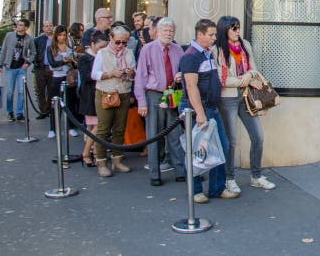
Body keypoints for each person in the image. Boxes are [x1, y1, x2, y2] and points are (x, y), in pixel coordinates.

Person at [215, 16, 277, 193]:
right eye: (233, 29)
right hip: (227, 98)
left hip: (246, 98)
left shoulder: (245, 45)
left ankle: (256, 176)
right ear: (224, 30)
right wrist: (245, 80)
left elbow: (254, 69)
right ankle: (229, 178)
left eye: (238, 28)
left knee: (258, 136)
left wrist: (249, 77)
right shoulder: (217, 50)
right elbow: (221, 78)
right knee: (231, 141)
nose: (237, 32)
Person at [179, 19, 237, 202]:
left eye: (214, 34)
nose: (214, 38)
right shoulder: (191, 56)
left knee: (221, 146)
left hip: (211, 107)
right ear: (200, 34)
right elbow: (191, 87)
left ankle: (217, 188)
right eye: (211, 34)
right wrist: (200, 113)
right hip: (198, 109)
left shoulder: (208, 54)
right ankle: (196, 190)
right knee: (197, 149)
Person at [134, 17, 186, 186]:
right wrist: (141, 102)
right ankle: (155, 174)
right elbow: (140, 76)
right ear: (157, 32)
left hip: (173, 94)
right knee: (154, 135)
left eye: (171, 31)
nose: (168, 33)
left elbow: (184, 70)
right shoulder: (147, 49)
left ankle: (180, 170)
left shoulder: (178, 50)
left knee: (175, 134)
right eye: (165, 30)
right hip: (154, 95)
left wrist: (181, 76)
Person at [90, 24, 136, 177]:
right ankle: (101, 162)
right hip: (106, 92)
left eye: (124, 42)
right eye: (118, 42)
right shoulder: (102, 53)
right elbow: (94, 74)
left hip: (123, 92)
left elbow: (134, 73)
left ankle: (117, 160)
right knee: (103, 129)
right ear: (111, 38)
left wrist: (130, 73)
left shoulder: (129, 53)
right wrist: (110, 74)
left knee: (119, 128)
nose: (121, 45)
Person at [78, 30, 108, 167]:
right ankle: (86, 153)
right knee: (97, 126)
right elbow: (86, 76)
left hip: (101, 93)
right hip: (90, 95)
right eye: (100, 47)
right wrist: (102, 75)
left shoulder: (103, 56)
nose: (102, 50)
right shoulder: (84, 58)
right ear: (92, 44)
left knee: (98, 126)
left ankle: (95, 152)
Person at [0, 20, 36, 121]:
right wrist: (0, 65)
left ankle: (19, 113)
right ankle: (10, 112)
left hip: (21, 69)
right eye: (18, 24)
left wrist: (27, 63)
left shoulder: (29, 38)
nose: (18, 26)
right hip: (10, 67)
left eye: (21, 25)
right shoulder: (9, 35)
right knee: (9, 92)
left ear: (26, 28)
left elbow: (33, 52)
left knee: (21, 92)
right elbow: (4, 49)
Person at [47, 25, 77, 138]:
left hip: (68, 76)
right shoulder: (51, 48)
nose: (62, 37)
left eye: (64, 35)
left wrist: (72, 61)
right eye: (60, 35)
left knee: (70, 103)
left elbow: (74, 64)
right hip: (57, 77)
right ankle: (52, 128)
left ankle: (72, 127)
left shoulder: (69, 46)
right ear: (56, 36)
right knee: (55, 104)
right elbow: (52, 64)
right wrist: (64, 61)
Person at [33, 20, 55, 118]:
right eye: (46, 26)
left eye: (50, 26)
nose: (49, 28)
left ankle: (49, 109)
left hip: (53, 68)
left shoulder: (57, 39)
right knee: (40, 90)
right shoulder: (38, 40)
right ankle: (42, 111)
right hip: (41, 68)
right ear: (43, 28)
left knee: (51, 90)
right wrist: (35, 63)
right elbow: (34, 52)